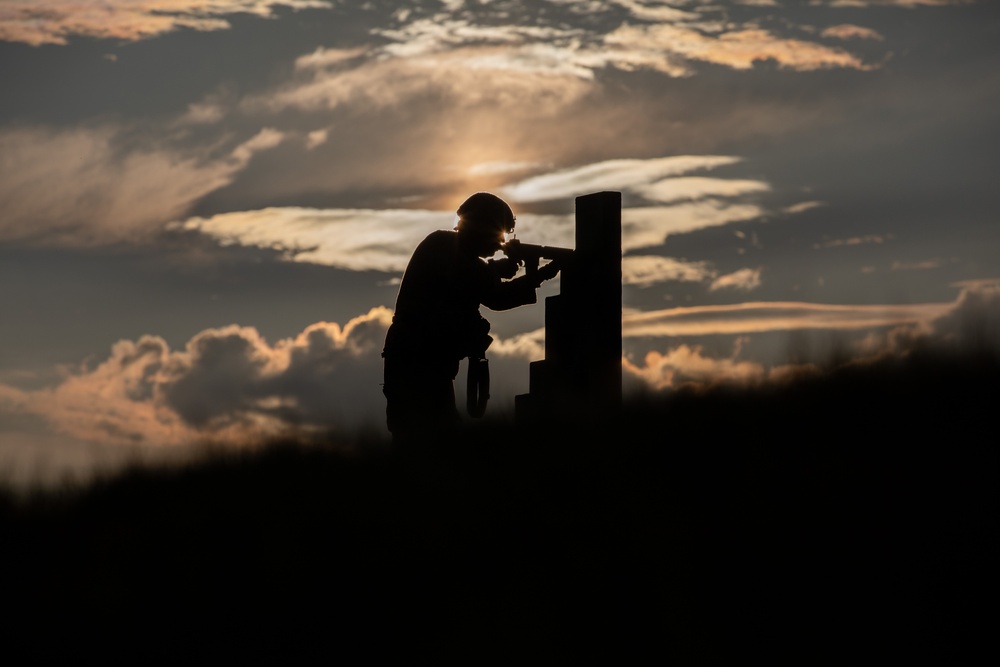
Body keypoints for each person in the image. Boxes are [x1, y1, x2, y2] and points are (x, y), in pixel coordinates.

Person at [381, 192, 560, 445]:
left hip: (430, 364)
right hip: (416, 362)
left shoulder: (455, 255)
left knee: (436, 436)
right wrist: (534, 275)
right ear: (481, 229)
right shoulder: (442, 245)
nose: (498, 245)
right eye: (497, 237)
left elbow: (481, 284)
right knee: (423, 438)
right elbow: (490, 292)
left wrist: (519, 273)